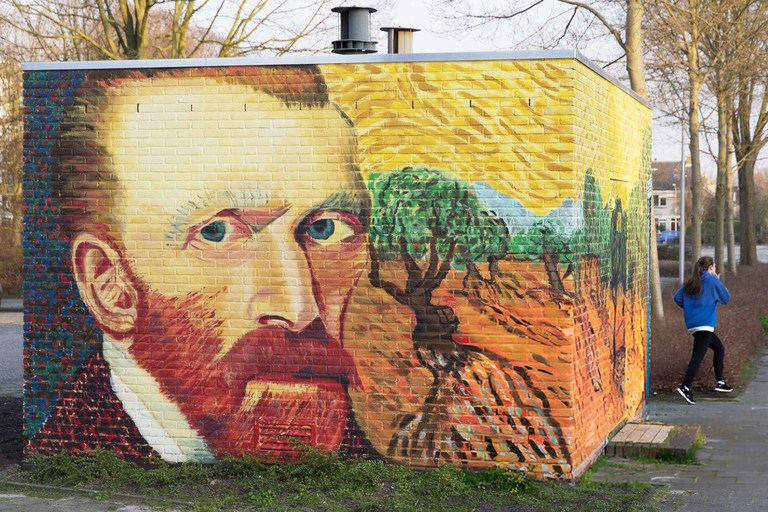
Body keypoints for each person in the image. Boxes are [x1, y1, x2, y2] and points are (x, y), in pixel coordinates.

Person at [30, 66, 373, 462]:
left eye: (327, 229)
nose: (299, 309)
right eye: (217, 233)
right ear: (111, 286)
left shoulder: (376, 450)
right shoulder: (80, 449)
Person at [674, 256, 732, 405]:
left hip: (694, 325)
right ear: (711, 267)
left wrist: (691, 308)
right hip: (705, 325)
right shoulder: (712, 280)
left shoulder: (692, 281)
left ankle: (720, 382)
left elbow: (677, 298)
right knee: (697, 357)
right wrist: (717, 280)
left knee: (719, 348)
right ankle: (684, 387)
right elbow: (726, 298)